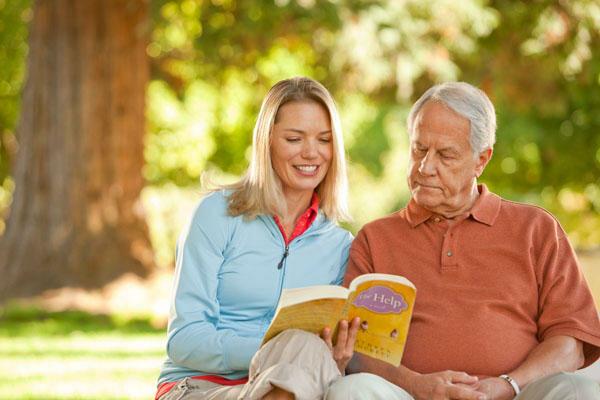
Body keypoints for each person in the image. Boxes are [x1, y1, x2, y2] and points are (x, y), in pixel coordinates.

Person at [325, 82, 600, 400]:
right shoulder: (375, 238)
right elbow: (358, 349)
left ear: (481, 160)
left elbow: (570, 344)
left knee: (579, 390)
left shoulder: (537, 229)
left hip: (516, 394)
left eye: (445, 155)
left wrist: (507, 385)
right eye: (419, 149)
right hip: (408, 395)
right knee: (351, 390)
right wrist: (418, 385)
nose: (425, 167)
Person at [155, 77, 360, 400]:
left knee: (315, 358)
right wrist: (276, 351)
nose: (311, 153)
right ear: (267, 142)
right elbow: (184, 340)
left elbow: (321, 358)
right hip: (202, 386)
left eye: (324, 140)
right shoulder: (216, 215)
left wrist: (335, 357)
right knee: (302, 346)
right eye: (294, 139)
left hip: (292, 387)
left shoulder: (339, 246)